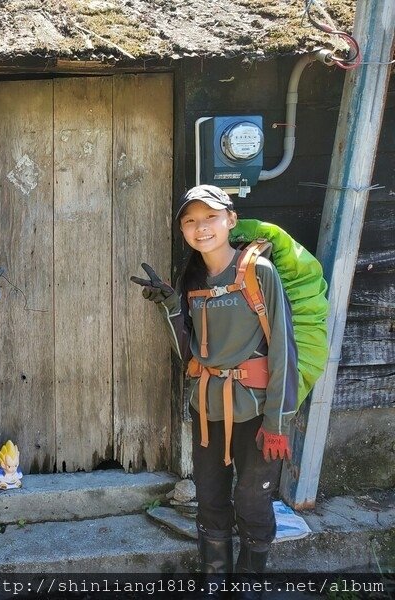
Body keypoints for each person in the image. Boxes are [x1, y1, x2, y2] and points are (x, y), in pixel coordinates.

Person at [131, 185, 298, 593]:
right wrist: (170, 305)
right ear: (182, 230)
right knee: (209, 496)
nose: (200, 227)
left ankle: (249, 581)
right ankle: (214, 578)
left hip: (258, 409)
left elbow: (283, 349)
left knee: (252, 498)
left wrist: (277, 422)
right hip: (207, 407)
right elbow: (190, 356)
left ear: (231, 220)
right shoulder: (192, 280)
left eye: (210, 217)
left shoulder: (259, 273)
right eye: (190, 221)